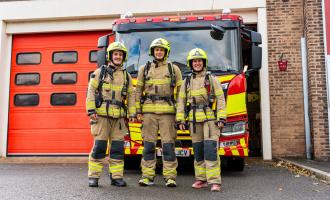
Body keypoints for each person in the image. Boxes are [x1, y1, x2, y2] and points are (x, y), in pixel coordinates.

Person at [176, 48, 226, 192]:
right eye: (194, 61)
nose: (197, 63)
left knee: (210, 150)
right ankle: (201, 180)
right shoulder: (187, 81)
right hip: (193, 121)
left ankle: (215, 182)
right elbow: (181, 101)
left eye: (199, 61)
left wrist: (221, 117)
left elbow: (220, 99)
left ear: (204, 62)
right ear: (190, 63)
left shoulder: (212, 79)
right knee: (198, 151)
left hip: (210, 120)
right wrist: (181, 120)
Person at [86, 42, 136, 187]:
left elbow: (131, 97)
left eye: (120, 54)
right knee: (99, 147)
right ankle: (93, 177)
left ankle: (116, 177)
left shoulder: (127, 76)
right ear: (110, 56)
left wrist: (132, 113)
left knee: (117, 149)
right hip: (101, 116)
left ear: (123, 57)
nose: (118, 56)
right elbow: (90, 92)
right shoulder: (99, 73)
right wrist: (91, 111)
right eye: (115, 54)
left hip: (119, 118)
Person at [135, 38, 182, 187]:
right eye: (156, 50)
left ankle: (170, 177)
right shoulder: (144, 68)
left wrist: (179, 114)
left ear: (166, 52)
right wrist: (137, 110)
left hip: (168, 113)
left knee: (168, 146)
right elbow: (138, 91)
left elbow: (181, 94)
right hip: (149, 112)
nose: (159, 52)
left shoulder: (174, 69)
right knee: (148, 146)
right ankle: (147, 176)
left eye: (161, 50)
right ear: (152, 52)